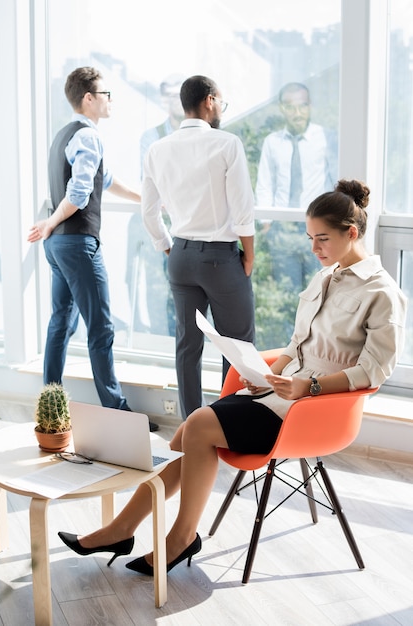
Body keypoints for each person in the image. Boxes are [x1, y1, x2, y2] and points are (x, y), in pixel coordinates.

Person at [58, 179, 407, 577]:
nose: (314, 249)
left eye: (322, 239)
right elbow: (296, 345)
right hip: (279, 395)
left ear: (352, 233)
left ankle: (180, 538)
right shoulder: (324, 277)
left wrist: (306, 387)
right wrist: (266, 374)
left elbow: (374, 372)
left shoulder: (383, 293)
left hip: (312, 408)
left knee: (200, 425)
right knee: (186, 431)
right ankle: (121, 529)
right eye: (310, 238)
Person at [27, 66, 159, 432]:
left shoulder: (65, 135)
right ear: (89, 98)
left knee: (60, 325)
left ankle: (49, 407)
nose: (110, 100)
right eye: (106, 94)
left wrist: (149, 198)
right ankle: (117, 412)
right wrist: (52, 222)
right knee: (100, 328)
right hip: (77, 243)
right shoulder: (89, 136)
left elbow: (107, 179)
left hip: (58, 247)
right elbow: (80, 192)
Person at [141, 74, 256, 420]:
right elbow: (242, 208)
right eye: (221, 101)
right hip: (221, 259)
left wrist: (169, 249)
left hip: (181, 256)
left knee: (187, 345)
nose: (221, 107)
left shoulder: (157, 149)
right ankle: (228, 422)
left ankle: (193, 423)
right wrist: (249, 255)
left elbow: (148, 212)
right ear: (209, 100)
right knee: (237, 345)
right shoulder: (226, 143)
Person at [126, 74, 185, 337]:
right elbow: (149, 181)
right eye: (170, 95)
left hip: (188, 220)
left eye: (179, 94)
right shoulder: (152, 136)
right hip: (162, 219)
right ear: (163, 100)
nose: (175, 101)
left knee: (185, 285)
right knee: (158, 284)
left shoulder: (200, 136)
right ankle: (161, 338)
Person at [255, 82, 338, 208]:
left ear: (310, 105)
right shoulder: (272, 142)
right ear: (282, 108)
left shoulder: (327, 138)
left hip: (318, 218)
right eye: (290, 108)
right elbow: (265, 185)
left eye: (303, 106)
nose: (298, 113)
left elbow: (337, 181)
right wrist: (265, 221)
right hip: (281, 220)